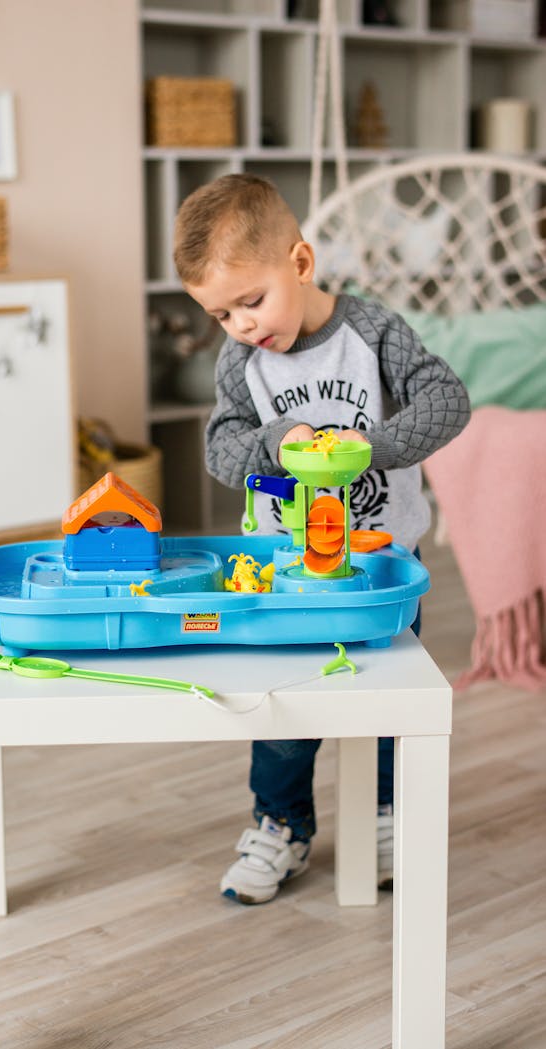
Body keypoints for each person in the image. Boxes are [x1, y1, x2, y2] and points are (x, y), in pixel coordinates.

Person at [173, 173, 470, 904]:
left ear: (300, 264)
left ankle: (385, 816)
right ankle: (281, 824)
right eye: (221, 313)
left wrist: (371, 446)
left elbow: (447, 399)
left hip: (380, 565)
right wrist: (278, 441)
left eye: (252, 301)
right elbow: (220, 450)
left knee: (386, 698)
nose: (242, 324)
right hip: (283, 569)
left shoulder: (372, 333)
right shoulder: (243, 362)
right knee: (284, 706)